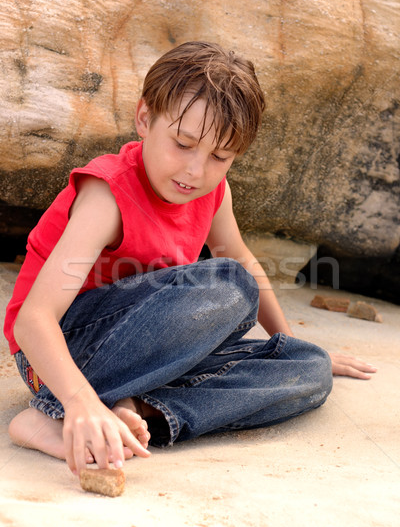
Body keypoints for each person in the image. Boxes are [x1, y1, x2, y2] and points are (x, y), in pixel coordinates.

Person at [4, 41, 376, 478]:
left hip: (151, 349)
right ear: (145, 119)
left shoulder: (213, 193)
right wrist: (77, 399)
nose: (195, 171)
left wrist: (287, 344)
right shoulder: (108, 196)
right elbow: (33, 321)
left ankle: (138, 411)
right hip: (58, 353)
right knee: (231, 284)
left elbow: (240, 254)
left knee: (307, 369)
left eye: (220, 157)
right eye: (183, 144)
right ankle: (65, 411)